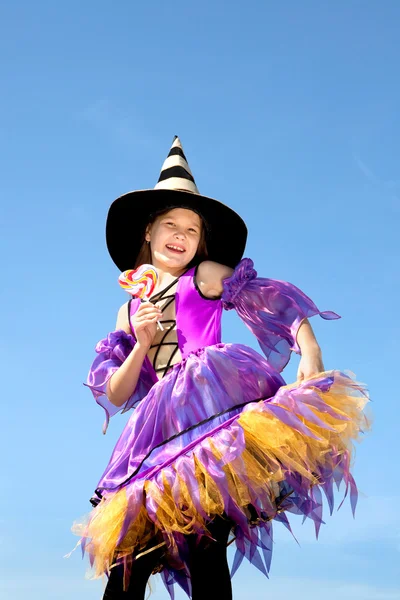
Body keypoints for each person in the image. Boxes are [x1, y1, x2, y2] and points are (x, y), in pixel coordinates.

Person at [74, 136, 370, 600]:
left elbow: (272, 299)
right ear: (148, 232)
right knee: (129, 561)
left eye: (191, 230)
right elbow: (116, 393)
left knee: (204, 539)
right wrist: (142, 344)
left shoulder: (205, 276)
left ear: (200, 243)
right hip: (158, 431)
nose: (180, 235)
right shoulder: (127, 312)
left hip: (210, 411)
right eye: (170, 224)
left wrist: (309, 348)